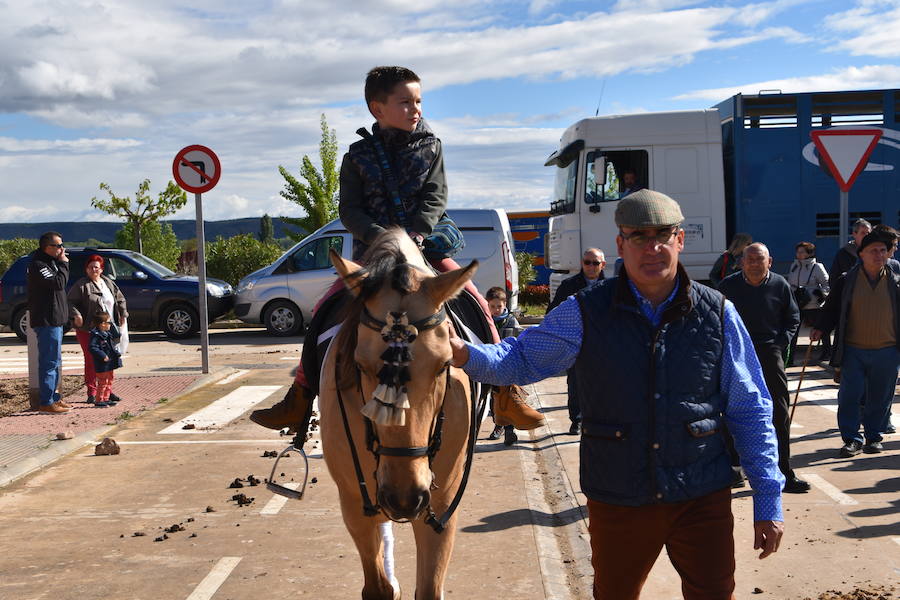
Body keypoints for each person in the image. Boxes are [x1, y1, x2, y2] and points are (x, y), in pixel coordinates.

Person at [450, 190, 784, 599]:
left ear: (681, 240)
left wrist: (768, 498)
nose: (653, 247)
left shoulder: (718, 313)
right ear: (620, 244)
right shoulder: (585, 311)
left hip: (700, 496)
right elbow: (520, 359)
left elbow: (750, 408)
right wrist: (464, 352)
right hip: (619, 497)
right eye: (639, 236)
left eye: (663, 235)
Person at [250, 66, 543, 433]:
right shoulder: (356, 157)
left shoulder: (432, 146)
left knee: (478, 303)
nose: (415, 109)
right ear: (378, 109)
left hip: (425, 248)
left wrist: (416, 235)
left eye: (418, 101)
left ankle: (506, 392)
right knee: (326, 308)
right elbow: (350, 210)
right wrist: (381, 238)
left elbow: (436, 197)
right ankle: (299, 397)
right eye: (405, 102)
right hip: (374, 254)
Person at [718, 243, 808, 493]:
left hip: (770, 353)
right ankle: (734, 469)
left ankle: (784, 472)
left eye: (760, 259)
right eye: (750, 259)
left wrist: (780, 344)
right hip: (736, 355)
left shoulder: (779, 284)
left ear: (770, 261)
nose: (755, 264)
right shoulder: (728, 287)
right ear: (742, 262)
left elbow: (793, 317)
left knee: (778, 413)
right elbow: (716, 319)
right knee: (730, 411)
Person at [811, 230, 900, 457]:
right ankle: (851, 438)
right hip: (853, 349)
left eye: (882, 250)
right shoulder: (847, 280)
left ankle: (873, 437)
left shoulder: (896, 281)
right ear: (861, 254)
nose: (878, 255)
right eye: (873, 251)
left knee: (880, 396)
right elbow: (831, 308)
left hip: (887, 350)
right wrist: (820, 327)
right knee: (850, 395)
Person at [547, 248, 607, 435]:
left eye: (595, 263)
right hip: (575, 343)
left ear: (602, 265)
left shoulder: (612, 287)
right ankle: (577, 420)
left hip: (602, 344)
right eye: (587, 262)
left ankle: (599, 419)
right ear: (582, 263)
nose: (590, 266)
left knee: (603, 383)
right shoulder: (568, 285)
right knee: (576, 383)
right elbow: (552, 312)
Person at [67, 254, 128, 406]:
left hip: (108, 328)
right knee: (92, 359)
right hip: (88, 330)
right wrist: (77, 315)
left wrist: (123, 314)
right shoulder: (82, 285)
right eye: (90, 267)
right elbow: (70, 302)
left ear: (101, 269)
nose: (93, 269)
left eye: (96, 267)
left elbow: (120, 299)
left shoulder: (107, 282)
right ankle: (92, 392)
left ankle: (106, 391)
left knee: (110, 359)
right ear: (86, 269)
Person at [26, 232, 71, 414]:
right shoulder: (39, 265)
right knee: (49, 362)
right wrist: (64, 263)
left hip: (56, 320)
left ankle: (55, 398)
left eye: (62, 245)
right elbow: (59, 283)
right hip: (46, 320)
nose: (62, 249)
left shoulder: (51, 263)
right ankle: (46, 401)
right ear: (47, 247)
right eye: (59, 246)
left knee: (55, 361)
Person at [486, 286, 522, 445]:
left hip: (508, 366)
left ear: (505, 304)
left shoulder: (511, 321)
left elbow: (518, 343)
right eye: (492, 306)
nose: (496, 310)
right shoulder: (485, 321)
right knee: (494, 399)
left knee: (508, 398)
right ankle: (498, 425)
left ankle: (509, 431)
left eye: (498, 306)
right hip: (491, 365)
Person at [786, 242, 830, 364]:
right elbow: (790, 283)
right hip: (797, 303)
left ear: (809, 253)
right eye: (798, 252)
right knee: (793, 331)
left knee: (821, 329)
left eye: (802, 252)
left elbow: (826, 284)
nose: (799, 254)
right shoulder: (794, 266)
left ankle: (826, 353)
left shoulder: (817, 267)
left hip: (813, 304)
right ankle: (789, 358)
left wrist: (821, 295)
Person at [88, 311, 123, 407]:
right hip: (102, 363)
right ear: (103, 324)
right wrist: (102, 355)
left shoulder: (107, 334)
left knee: (109, 380)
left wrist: (116, 354)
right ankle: (99, 400)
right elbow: (93, 347)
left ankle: (106, 398)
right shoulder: (96, 335)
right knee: (103, 381)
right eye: (109, 323)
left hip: (109, 362)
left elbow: (112, 346)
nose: (110, 325)